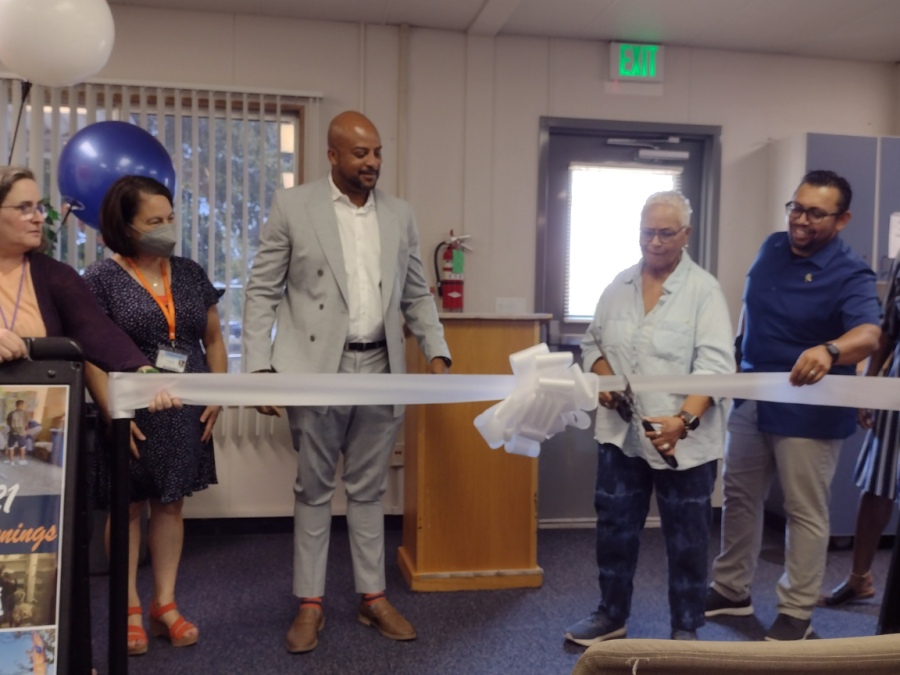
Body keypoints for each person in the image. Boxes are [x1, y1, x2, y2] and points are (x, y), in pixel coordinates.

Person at [243, 111, 451, 653]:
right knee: (312, 490)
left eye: (377, 152)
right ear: (333, 155)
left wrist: (437, 354)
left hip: (380, 370)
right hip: (314, 372)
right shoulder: (294, 206)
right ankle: (309, 605)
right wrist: (258, 368)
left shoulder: (400, 214)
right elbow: (261, 289)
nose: (372, 163)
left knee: (369, 489)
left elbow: (416, 294)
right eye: (360, 154)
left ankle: (372, 597)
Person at [706, 170, 882, 641]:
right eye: (796, 208)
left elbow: (869, 333)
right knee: (740, 497)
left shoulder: (851, 271)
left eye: (815, 213)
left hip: (810, 407)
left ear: (842, 219)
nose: (800, 220)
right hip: (752, 396)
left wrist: (829, 350)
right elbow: (751, 304)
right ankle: (730, 590)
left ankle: (797, 612)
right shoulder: (772, 247)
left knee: (805, 510)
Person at [564, 192, 735, 645]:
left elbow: (717, 369)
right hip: (622, 437)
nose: (654, 242)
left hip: (684, 441)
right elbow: (591, 345)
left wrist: (684, 420)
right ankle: (611, 614)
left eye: (665, 233)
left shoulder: (704, 291)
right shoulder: (618, 286)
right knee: (615, 531)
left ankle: (686, 627)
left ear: (686, 235)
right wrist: (606, 381)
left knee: (687, 541)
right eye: (647, 232)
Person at [84, 175, 226, 656]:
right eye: (154, 221)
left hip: (185, 412)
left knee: (170, 504)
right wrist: (112, 415)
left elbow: (214, 340)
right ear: (125, 226)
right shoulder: (100, 279)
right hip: (130, 411)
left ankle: (164, 605)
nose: (167, 228)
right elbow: (90, 355)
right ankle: (127, 607)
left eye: (170, 218)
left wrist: (218, 393)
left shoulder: (189, 272)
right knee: (126, 508)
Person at [819, 254, 900, 607]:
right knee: (877, 484)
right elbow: (887, 333)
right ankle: (858, 579)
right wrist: (867, 387)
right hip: (896, 387)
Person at [6, 400, 28, 465]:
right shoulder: (25, 413)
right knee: (22, 447)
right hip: (21, 432)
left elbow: (8, 423)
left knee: (11, 447)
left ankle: (11, 461)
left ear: (16, 405)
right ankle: (21, 461)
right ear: (22, 405)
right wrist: (25, 430)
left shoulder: (11, 413)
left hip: (12, 432)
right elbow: (26, 423)